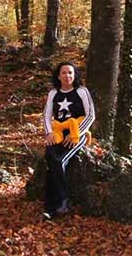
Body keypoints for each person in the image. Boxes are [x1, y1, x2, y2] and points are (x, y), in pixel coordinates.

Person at [42, 61, 95, 220]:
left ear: (75, 75)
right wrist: (48, 133)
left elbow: (91, 115)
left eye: (70, 72)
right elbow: (46, 115)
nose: (67, 76)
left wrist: (75, 134)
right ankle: (55, 204)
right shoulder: (53, 93)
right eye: (64, 73)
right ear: (58, 76)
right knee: (50, 158)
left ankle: (57, 204)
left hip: (77, 133)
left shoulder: (82, 91)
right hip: (57, 132)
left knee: (59, 161)